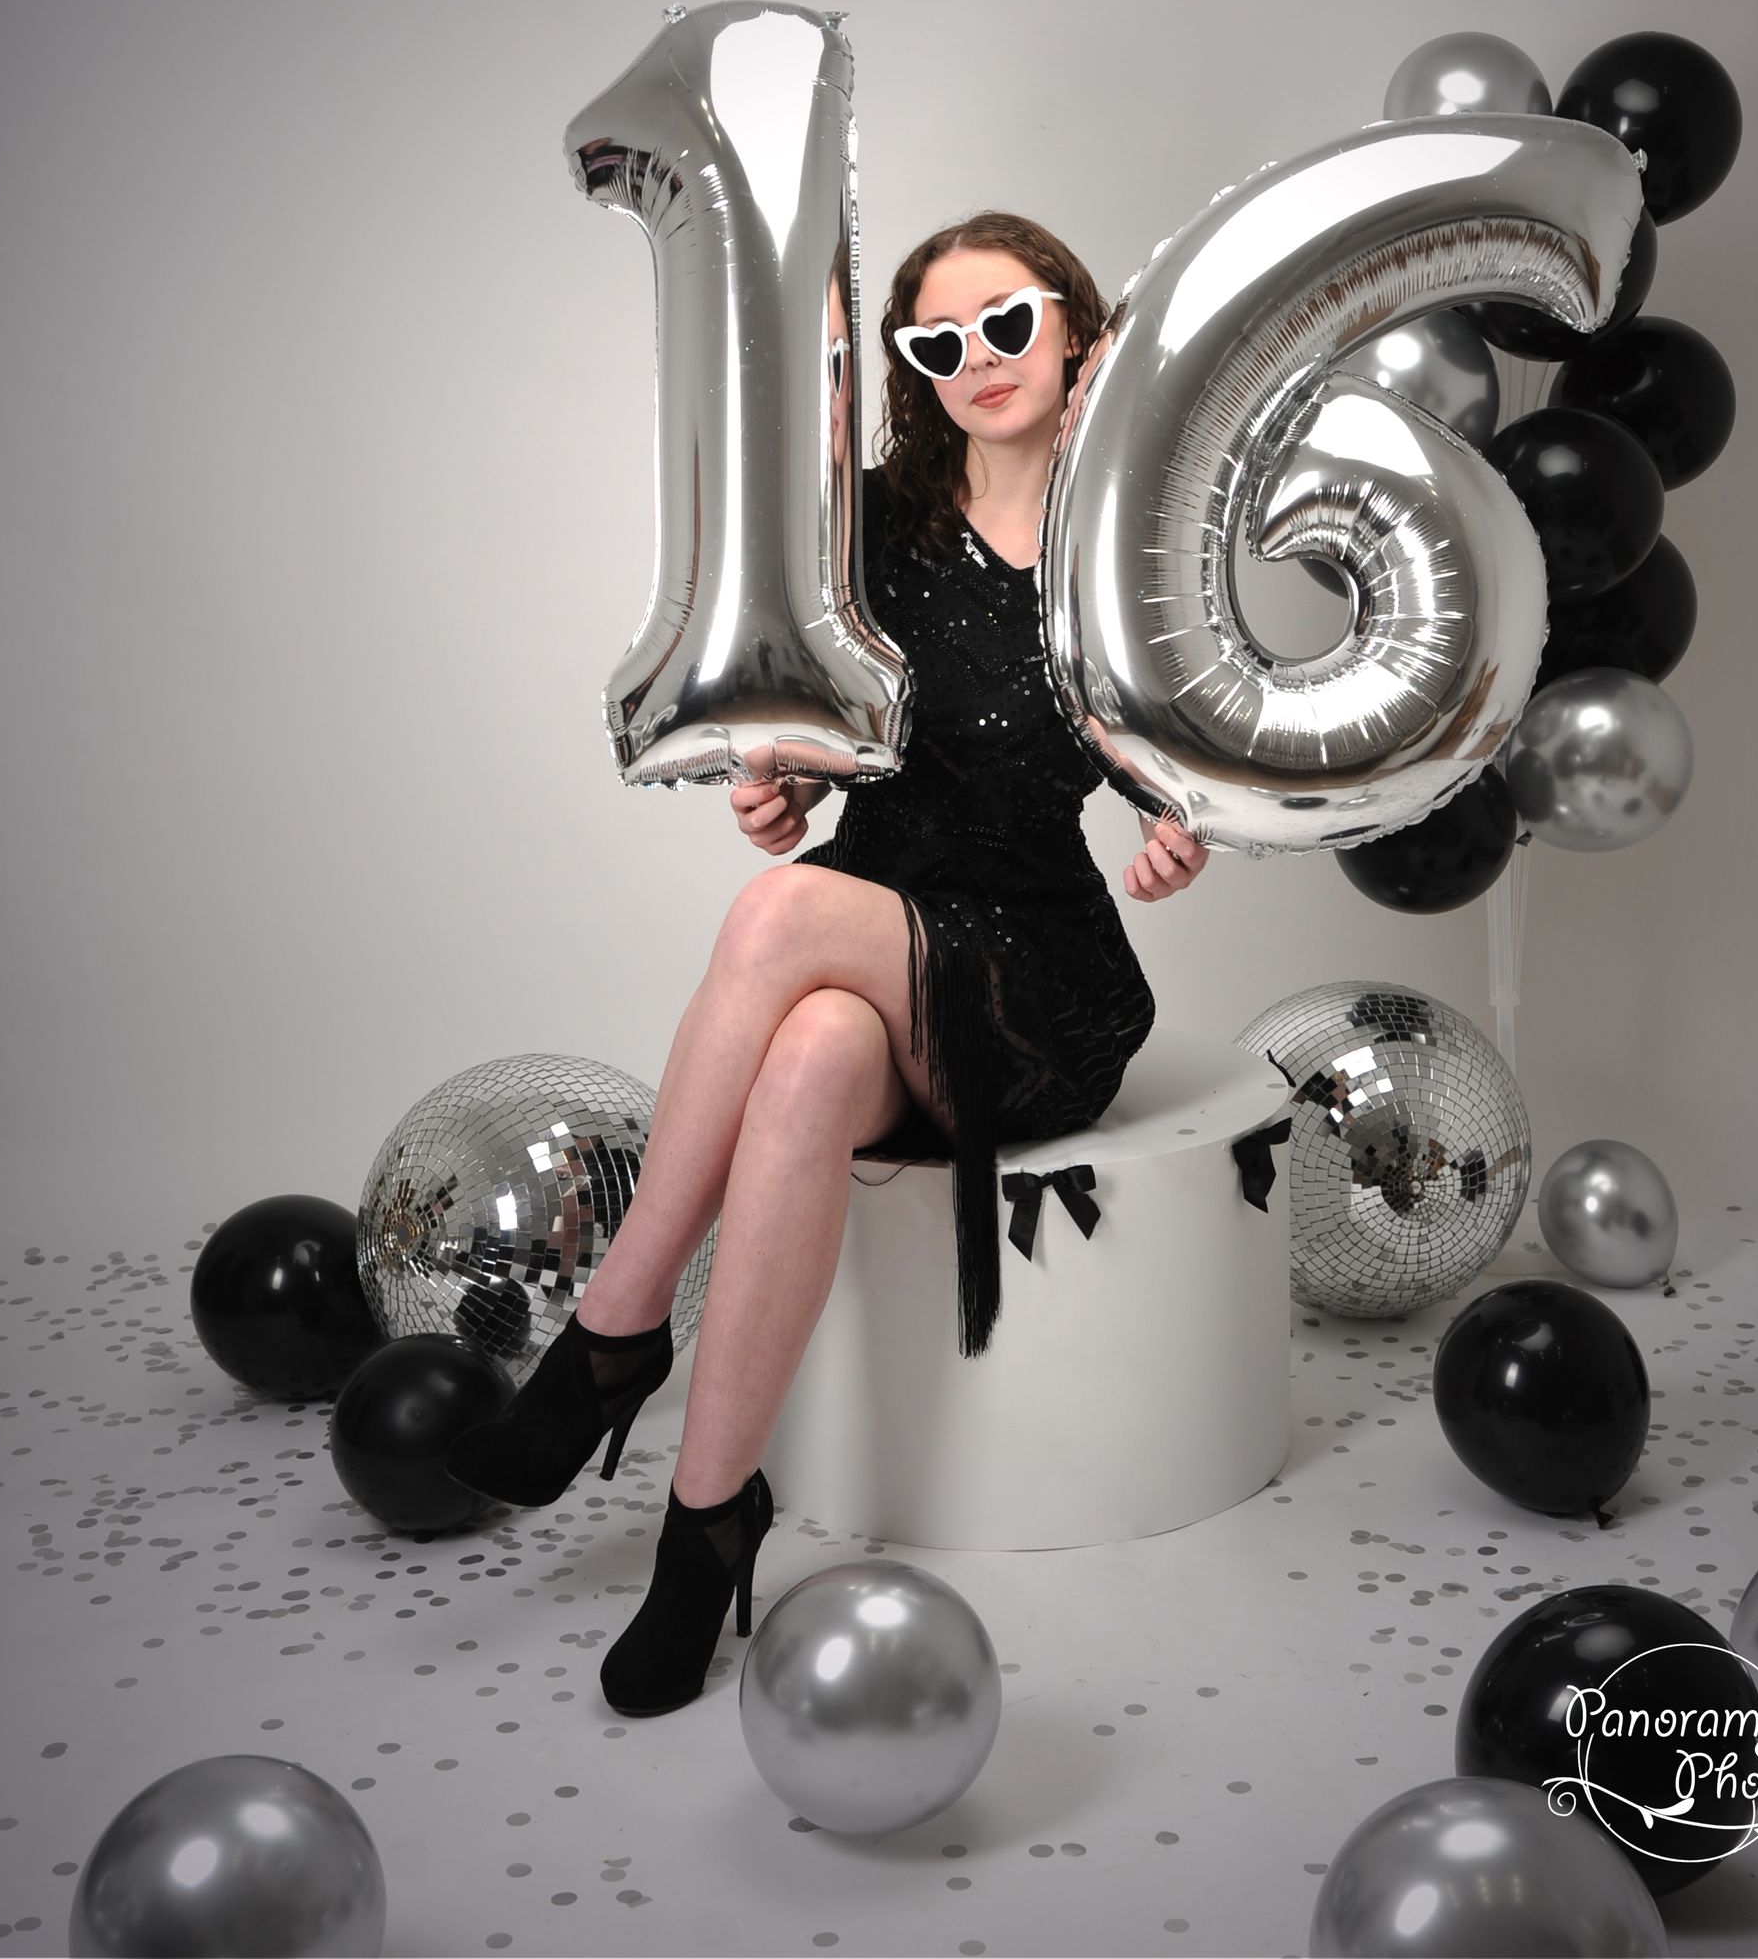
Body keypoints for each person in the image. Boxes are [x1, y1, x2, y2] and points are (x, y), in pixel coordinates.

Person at [444, 210, 1209, 1717]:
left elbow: (1180, 755)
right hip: (879, 919)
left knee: (774, 920)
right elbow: (808, 738)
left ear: (1076, 328)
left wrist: (1187, 833)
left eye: (1007, 324)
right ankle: (708, 1521)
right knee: (799, 1062)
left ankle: (611, 1334)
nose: (976, 361)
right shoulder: (870, 529)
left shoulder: (1123, 537)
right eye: (939, 344)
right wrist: (772, 787)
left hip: (1031, 974)